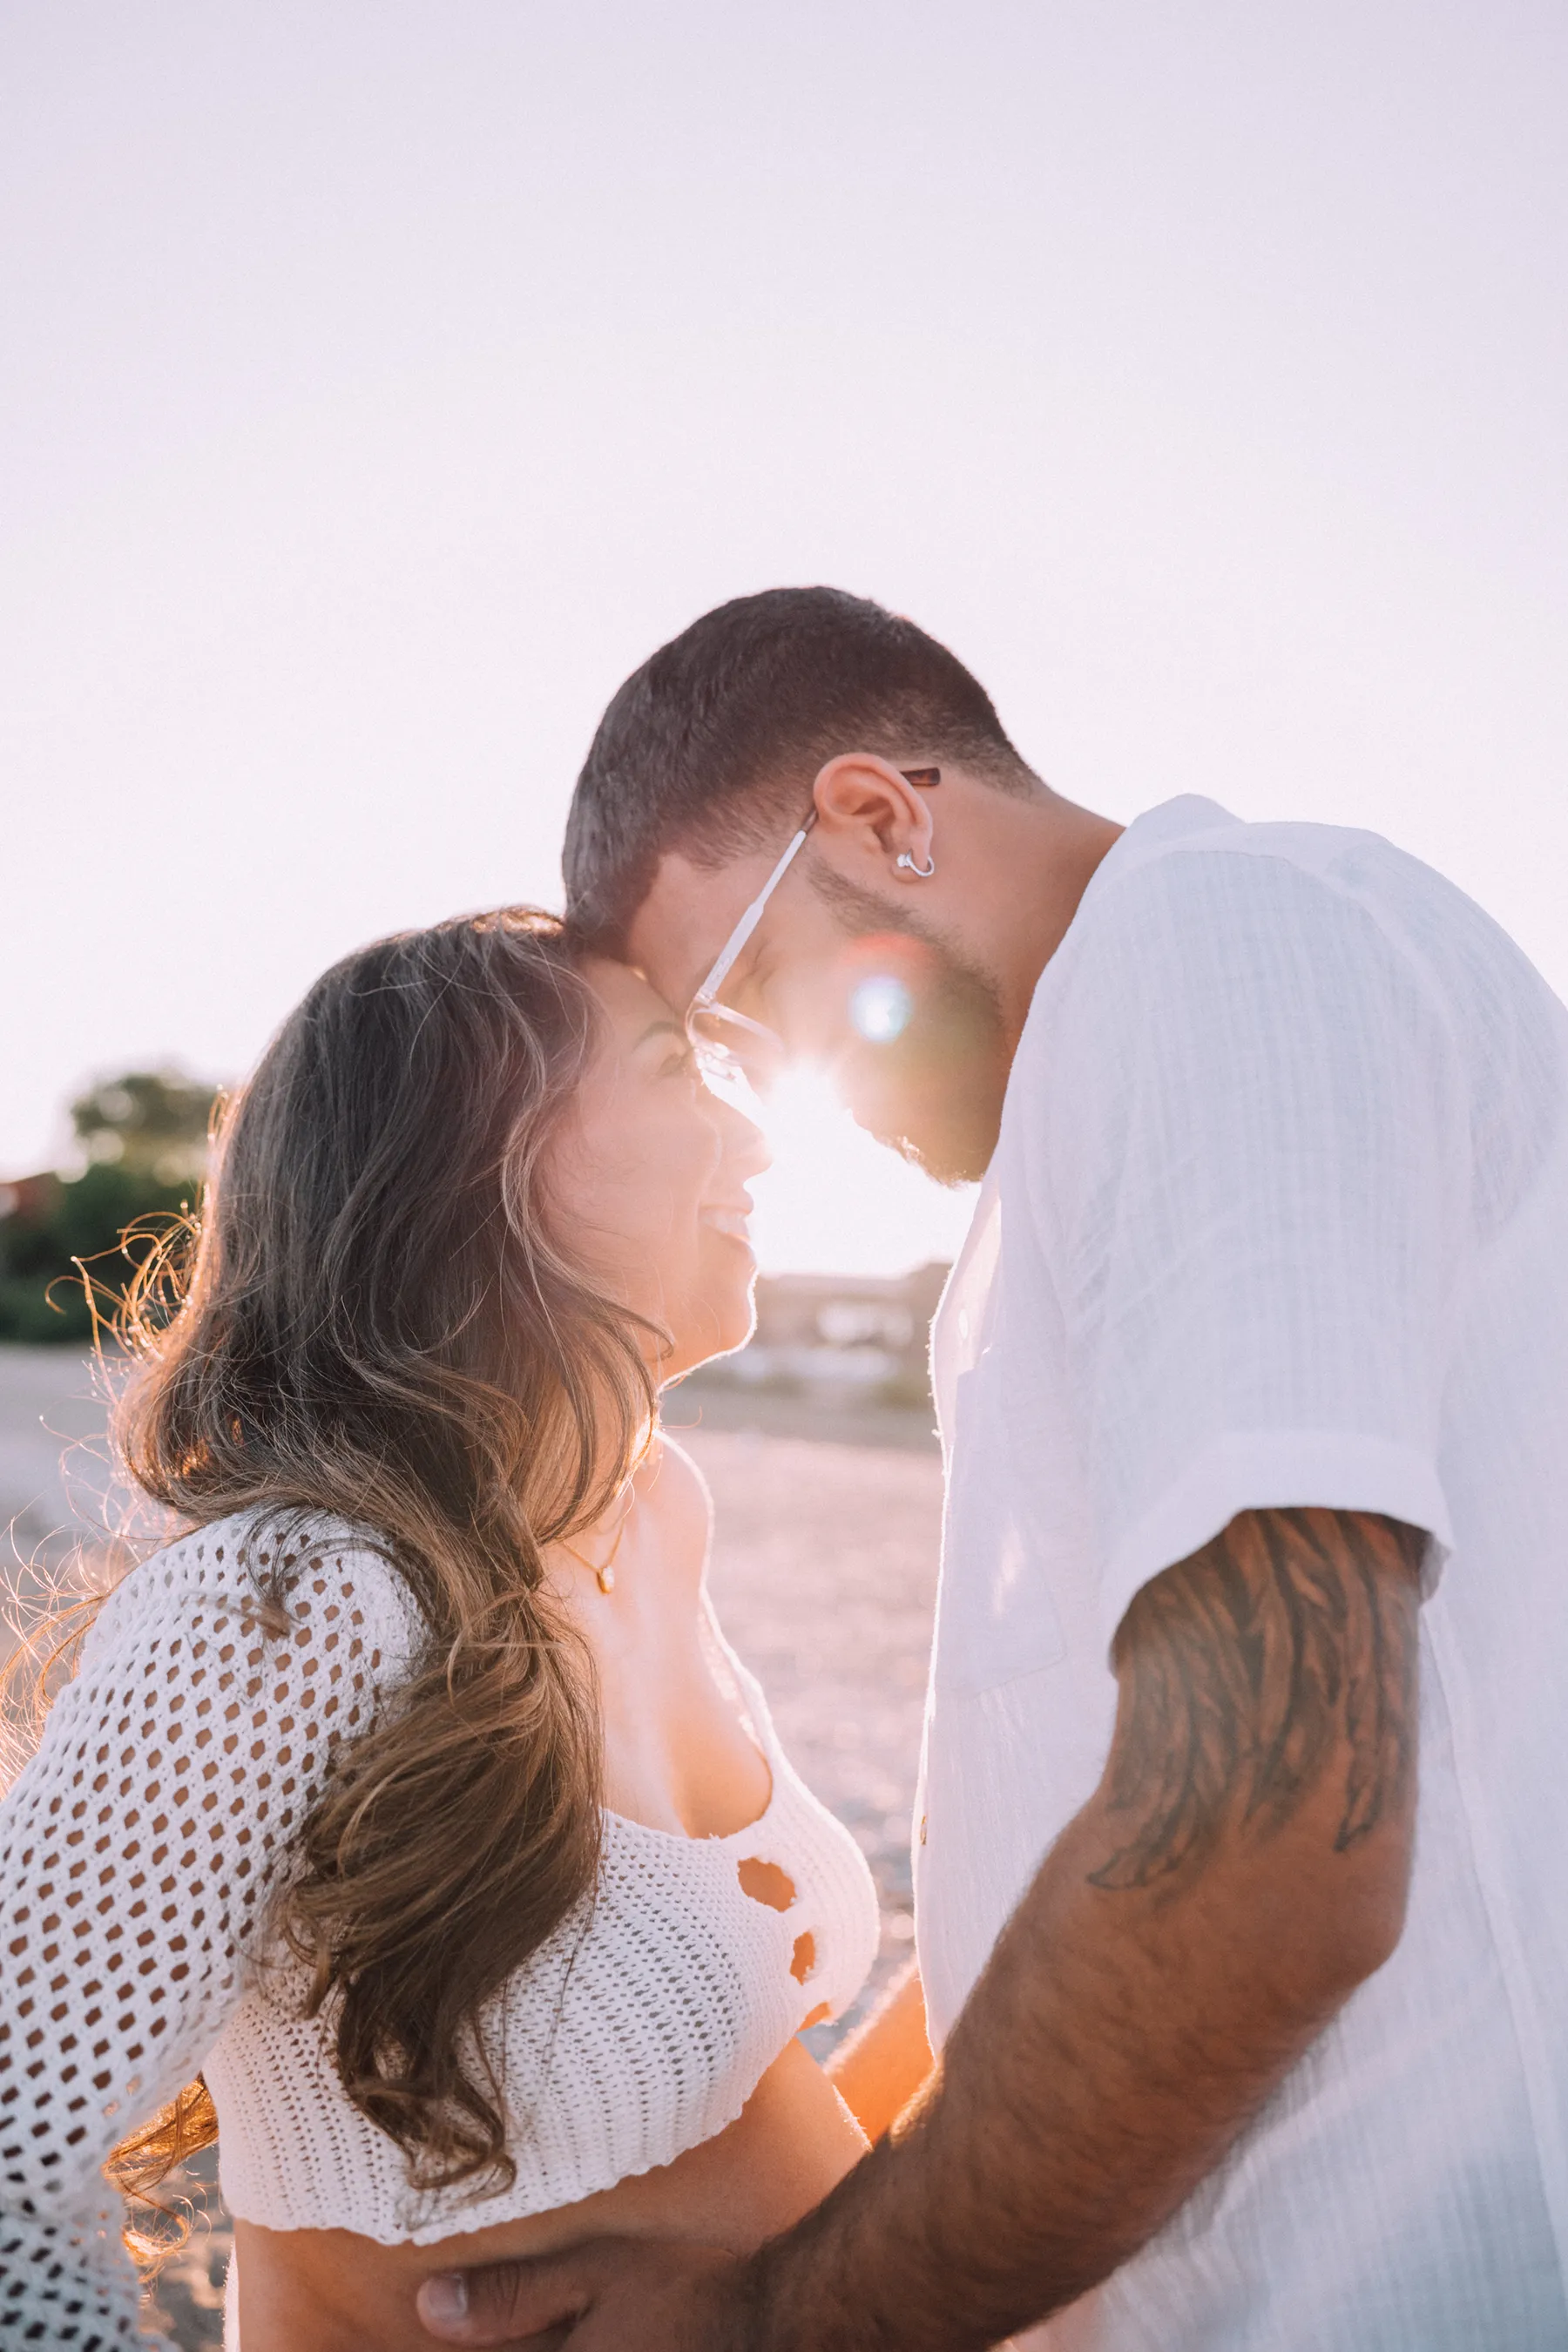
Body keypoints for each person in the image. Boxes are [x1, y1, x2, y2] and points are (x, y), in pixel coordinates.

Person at [416, 589, 1568, 2349]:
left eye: (744, 1010)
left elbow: (1276, 1831)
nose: (761, 1094)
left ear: (882, 818)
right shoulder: (1111, 1082)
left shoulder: (1219, 949)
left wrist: (781, 2321)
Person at [0, 909, 935, 2349]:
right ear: (479, 1160)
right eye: (680, 1072)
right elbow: (11, 2163)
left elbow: (748, 2105)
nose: (755, 1143)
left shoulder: (644, 1510)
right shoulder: (292, 1601)